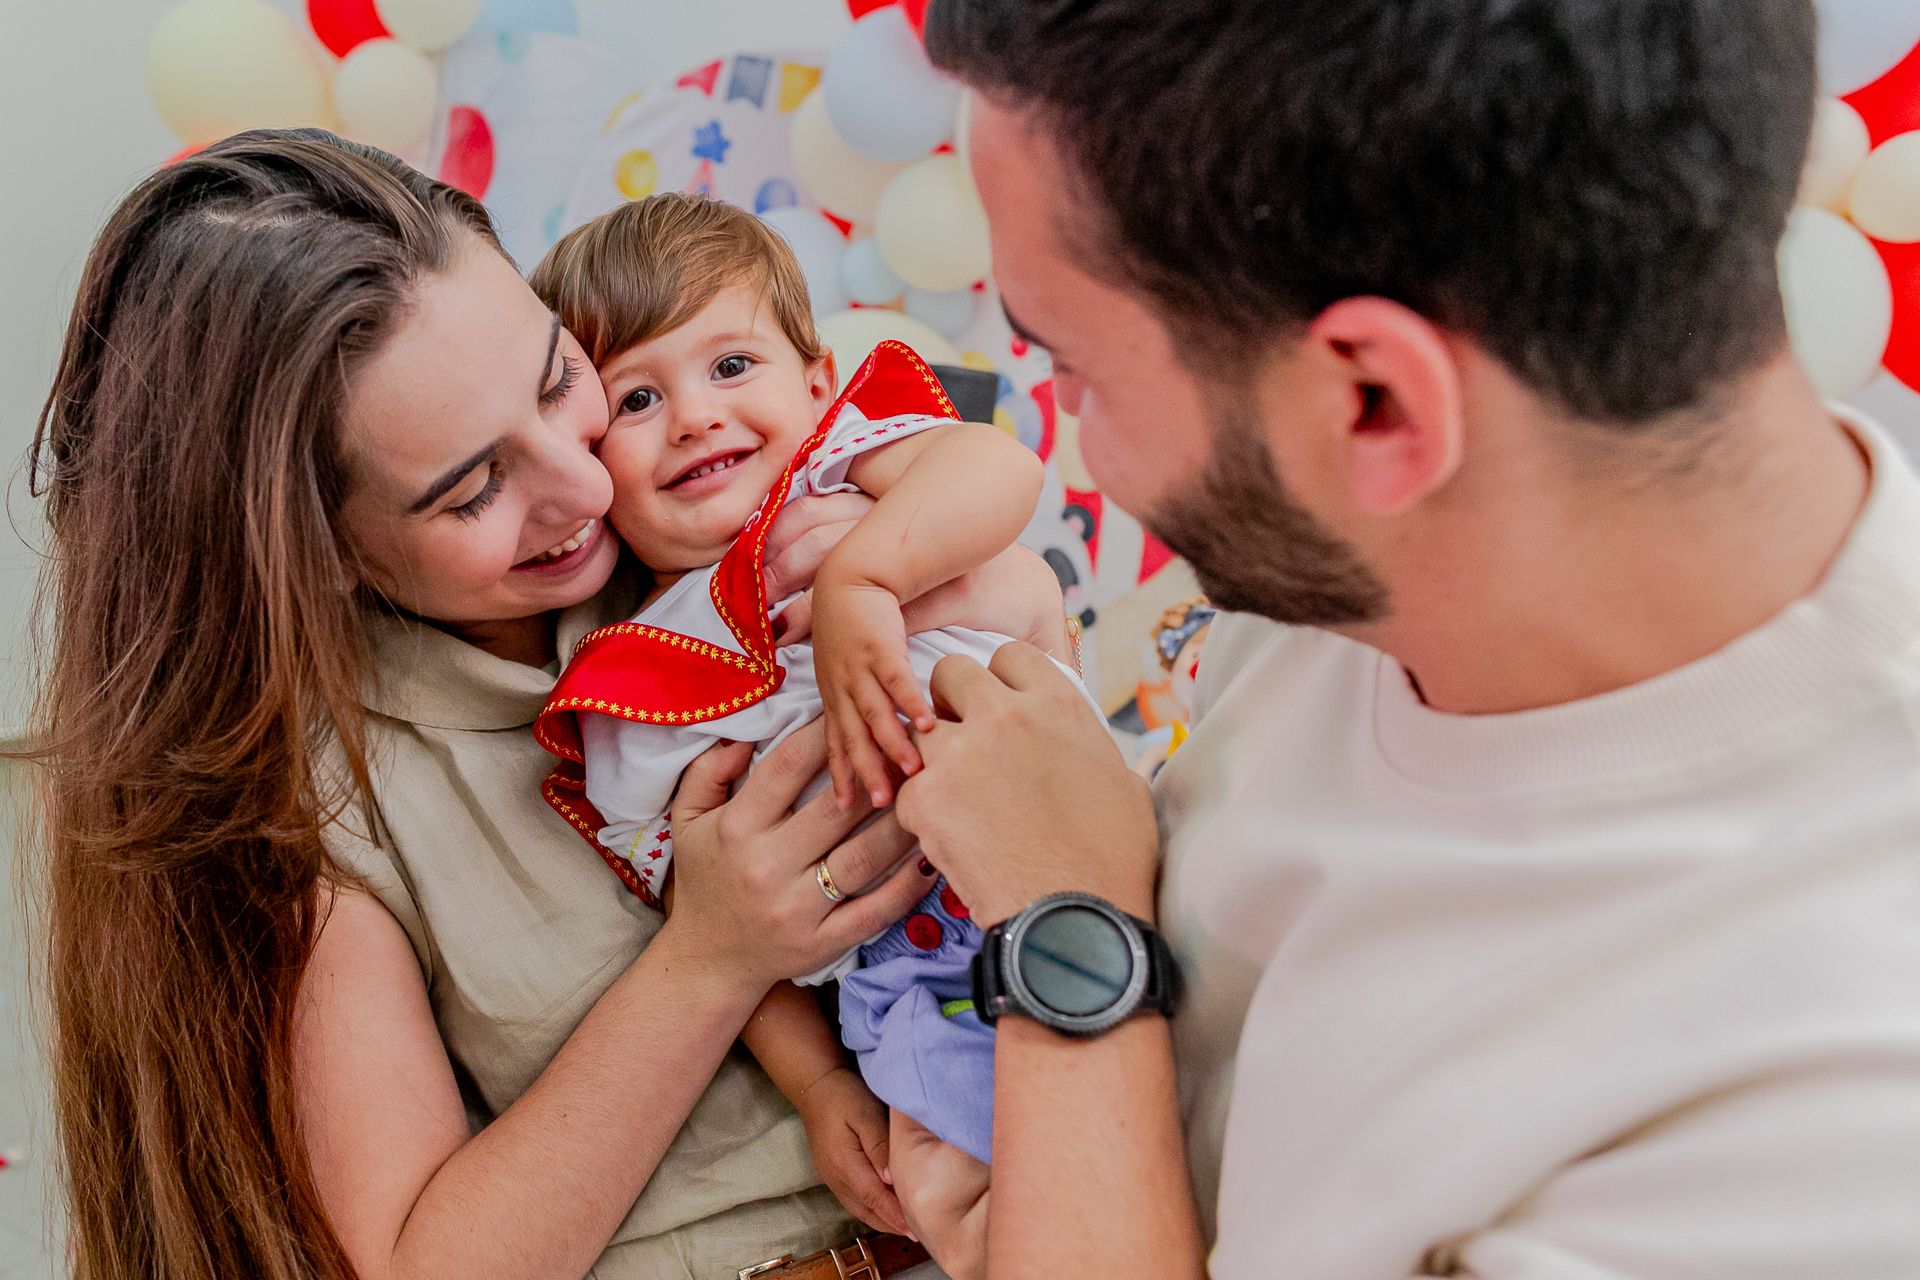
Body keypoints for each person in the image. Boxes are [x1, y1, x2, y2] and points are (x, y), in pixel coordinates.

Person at [878, 1, 1920, 1277]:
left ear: (1373, 403)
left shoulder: (1825, 1138)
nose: (1066, 425)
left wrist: (1066, 938)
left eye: (1078, 369)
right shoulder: (1354, 581)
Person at [22, 128, 1056, 1280]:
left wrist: (924, 579)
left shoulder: (717, 496)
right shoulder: (311, 810)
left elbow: (1020, 592)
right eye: (474, 490)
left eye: (562, 381)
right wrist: (711, 955)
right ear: (318, 551)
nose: (582, 484)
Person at [525, 193, 1080, 1216]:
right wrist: (821, 1088)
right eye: (636, 401)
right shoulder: (626, 688)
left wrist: (863, 574)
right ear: (586, 462)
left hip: (1087, 846)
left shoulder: (841, 471)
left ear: (817, 382)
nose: (694, 415)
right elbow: (701, 921)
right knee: (1003, 1214)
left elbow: (997, 464)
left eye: (731, 366)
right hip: (918, 995)